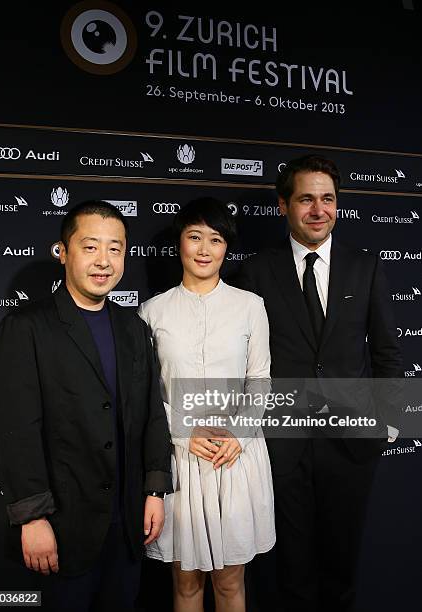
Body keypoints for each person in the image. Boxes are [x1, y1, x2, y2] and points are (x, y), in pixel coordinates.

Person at [236, 155, 403, 612]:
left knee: (341, 568)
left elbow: (387, 351)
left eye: (327, 199)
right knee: (292, 571)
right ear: (282, 206)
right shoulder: (256, 272)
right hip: (284, 444)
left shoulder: (364, 266)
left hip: (351, 442)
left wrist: (387, 420)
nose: (318, 209)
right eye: (306, 198)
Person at [0, 200, 172, 612]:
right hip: (61, 527)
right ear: (63, 252)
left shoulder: (134, 328)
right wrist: (33, 517)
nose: (104, 261)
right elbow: (16, 429)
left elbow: (152, 415)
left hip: (128, 527)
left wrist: (155, 489)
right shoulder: (27, 327)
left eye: (115, 248)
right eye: (90, 247)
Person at [138, 198, 275, 612]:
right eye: (194, 237)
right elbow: (149, 396)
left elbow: (260, 379)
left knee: (231, 582)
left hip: (236, 459)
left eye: (214, 240)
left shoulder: (250, 306)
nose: (203, 249)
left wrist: (240, 432)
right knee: (186, 583)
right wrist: (182, 432)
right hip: (181, 463)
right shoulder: (152, 311)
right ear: (179, 243)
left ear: (226, 248)